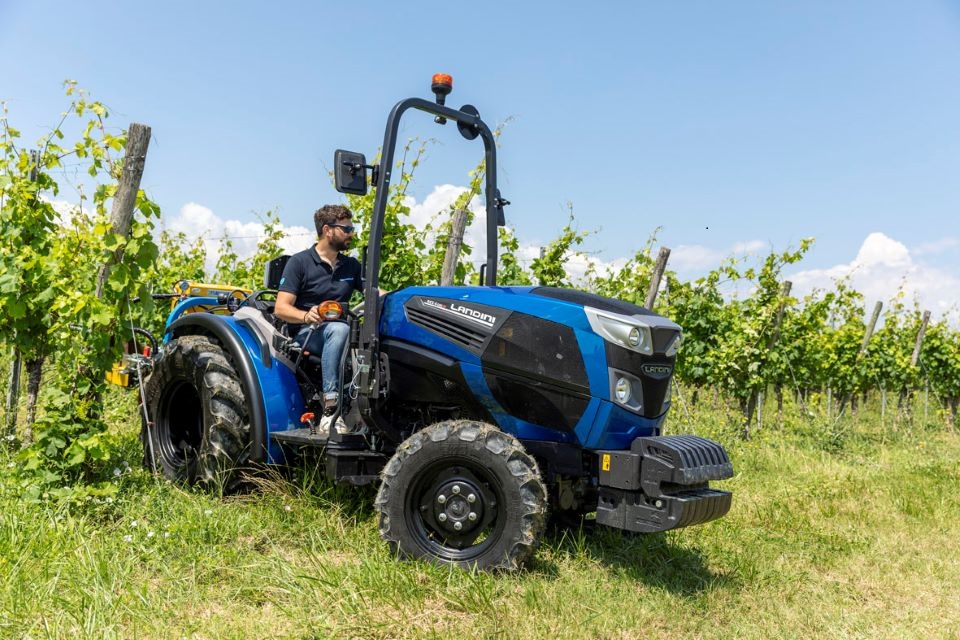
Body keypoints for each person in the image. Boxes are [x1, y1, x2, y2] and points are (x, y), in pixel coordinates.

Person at [274, 204, 362, 434]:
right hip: (307, 334)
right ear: (328, 230)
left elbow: (375, 294)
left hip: (340, 331)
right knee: (339, 330)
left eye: (352, 228)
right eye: (346, 229)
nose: (352, 233)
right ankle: (331, 408)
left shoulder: (351, 265)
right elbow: (281, 308)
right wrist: (306, 315)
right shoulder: (300, 262)